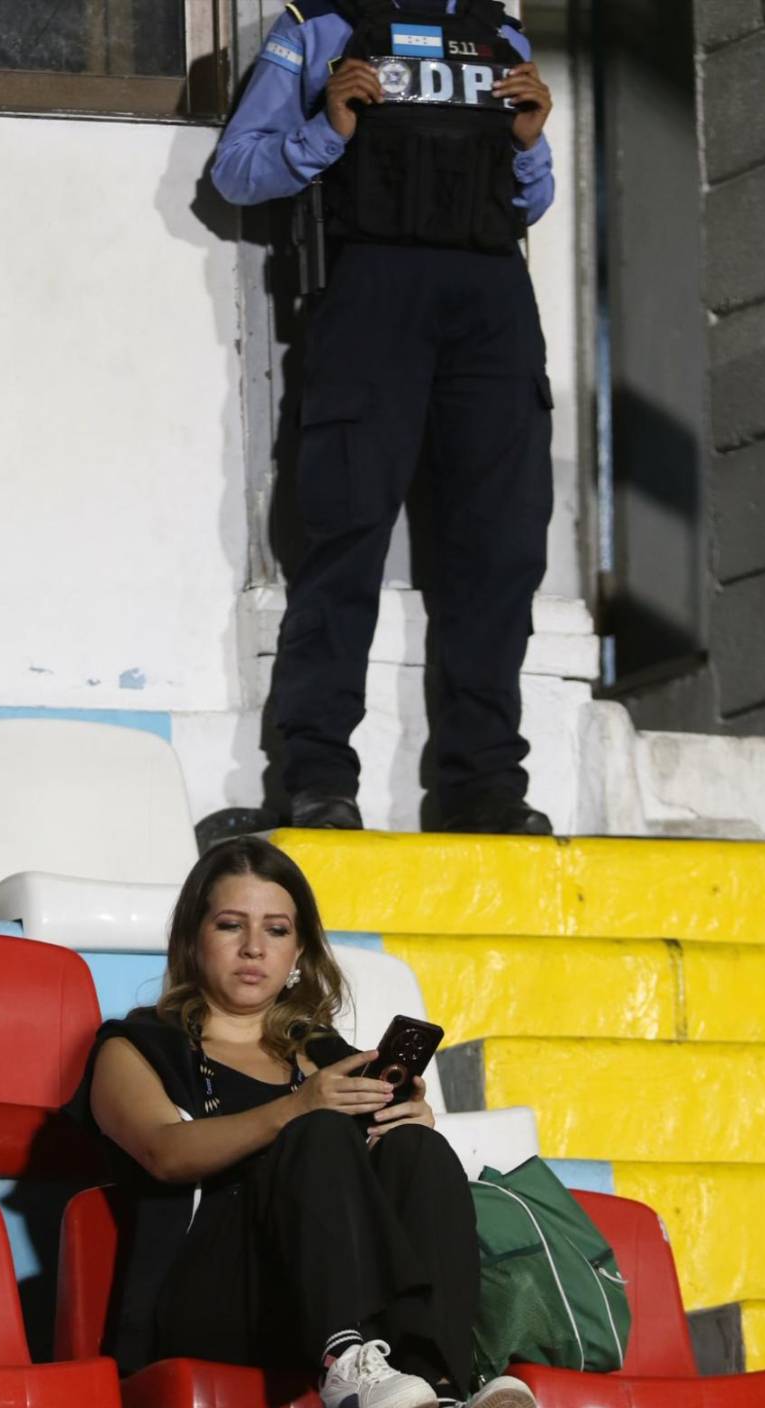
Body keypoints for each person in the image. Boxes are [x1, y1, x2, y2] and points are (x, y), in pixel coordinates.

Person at [212, 1, 556, 836]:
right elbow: (236, 170)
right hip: (370, 293)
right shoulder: (320, 27)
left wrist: (531, 143)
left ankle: (484, 787)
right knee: (344, 538)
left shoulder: (499, 33)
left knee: (502, 550)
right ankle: (317, 776)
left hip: (493, 298)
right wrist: (328, 129)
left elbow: (533, 202)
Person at [69, 834, 538, 1408]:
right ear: (192, 940)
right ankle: (344, 1366)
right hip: (210, 1300)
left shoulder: (329, 1057)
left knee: (419, 1149)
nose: (254, 948)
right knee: (316, 1133)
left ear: (299, 952)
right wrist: (297, 1108)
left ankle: (439, 1385)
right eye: (231, 925)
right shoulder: (136, 1045)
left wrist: (402, 1127)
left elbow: (381, 1184)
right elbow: (163, 1152)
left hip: (324, 1293)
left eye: (277, 930)